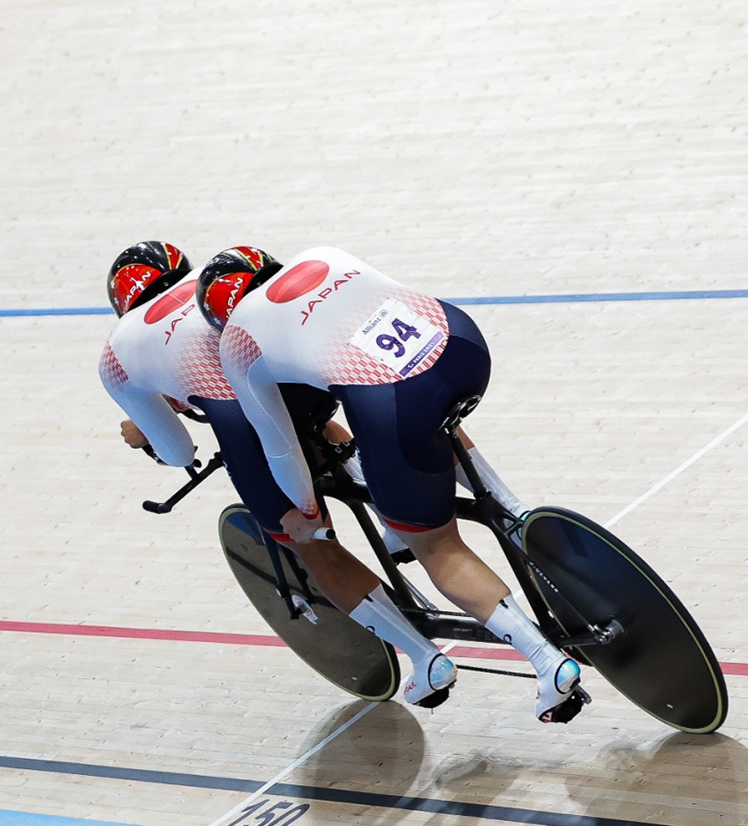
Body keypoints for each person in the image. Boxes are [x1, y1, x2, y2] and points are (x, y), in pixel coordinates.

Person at [197, 245, 586, 723]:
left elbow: (280, 446)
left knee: (438, 546)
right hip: (462, 344)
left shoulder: (237, 339)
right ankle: (509, 510)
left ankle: (548, 665)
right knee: (408, 407)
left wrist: (308, 512)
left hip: (399, 405)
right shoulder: (320, 254)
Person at [98, 241, 444, 706]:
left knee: (304, 537)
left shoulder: (121, 348)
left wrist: (148, 437)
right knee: (311, 418)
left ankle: (425, 658)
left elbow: (180, 452)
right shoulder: (209, 285)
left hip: (245, 414)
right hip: (300, 380)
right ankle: (389, 516)